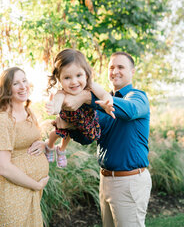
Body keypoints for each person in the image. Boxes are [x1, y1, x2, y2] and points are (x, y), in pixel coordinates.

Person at [59, 51, 152, 227]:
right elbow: (88, 137)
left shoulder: (137, 97)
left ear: (132, 72)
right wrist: (69, 126)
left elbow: (129, 111)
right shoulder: (100, 105)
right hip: (106, 181)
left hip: (129, 181)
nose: (115, 71)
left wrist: (88, 97)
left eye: (121, 67)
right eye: (111, 67)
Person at [0, 67, 49, 227]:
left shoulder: (28, 112)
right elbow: (3, 167)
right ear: (7, 89)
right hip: (12, 194)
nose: (23, 86)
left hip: (31, 194)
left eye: (24, 80)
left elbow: (31, 140)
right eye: (16, 83)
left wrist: (43, 144)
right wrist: (36, 185)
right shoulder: (1, 119)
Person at [45, 48, 115, 168]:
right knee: (58, 133)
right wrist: (53, 109)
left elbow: (104, 94)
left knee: (66, 137)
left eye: (78, 75)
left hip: (83, 124)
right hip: (67, 121)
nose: (74, 82)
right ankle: (49, 146)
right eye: (67, 78)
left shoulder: (90, 86)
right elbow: (57, 105)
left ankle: (61, 150)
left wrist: (108, 103)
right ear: (59, 78)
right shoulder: (61, 93)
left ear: (86, 74)